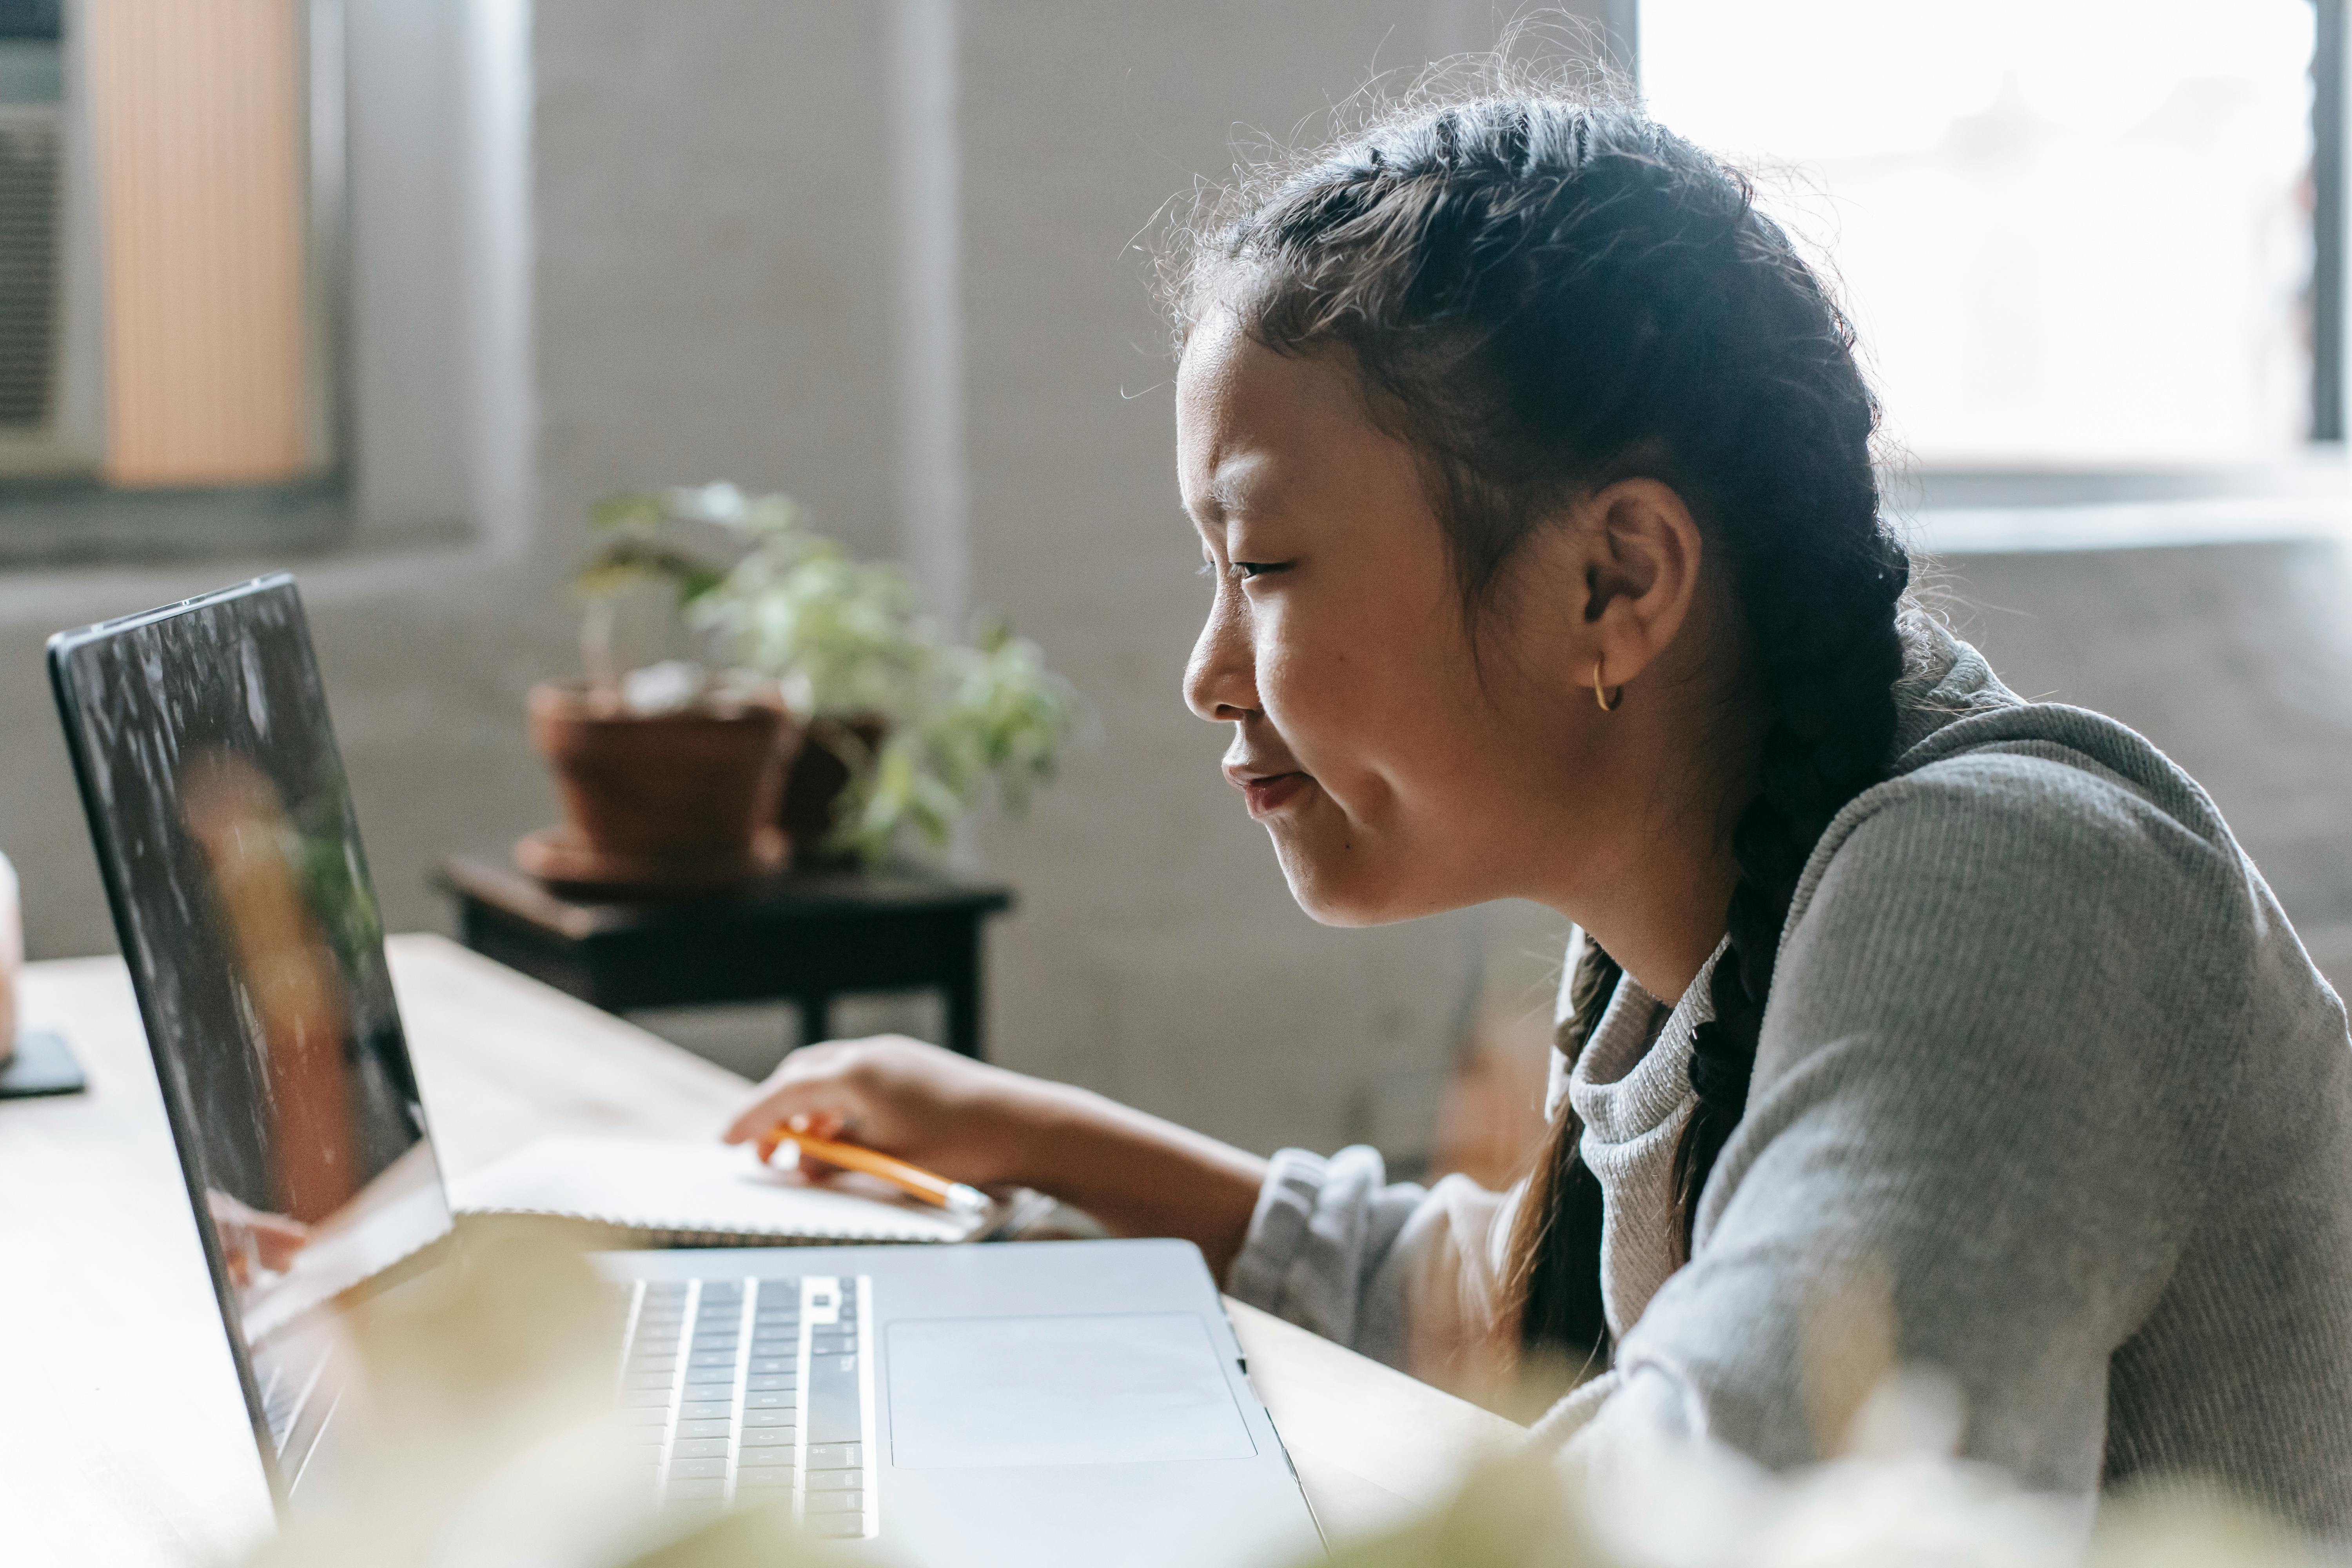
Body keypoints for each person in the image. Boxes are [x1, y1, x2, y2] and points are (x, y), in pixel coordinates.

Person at [722, 92, 2352, 1529]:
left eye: (1267, 564)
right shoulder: (1699, 913)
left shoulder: (2002, 890)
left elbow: (1747, 1500)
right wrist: (1022, 1138)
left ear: (1615, 579)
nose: (1208, 674)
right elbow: (1515, 1296)